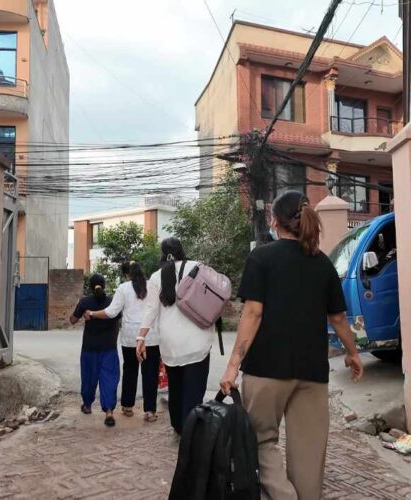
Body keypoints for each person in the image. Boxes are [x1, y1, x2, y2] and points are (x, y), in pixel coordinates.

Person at [220, 191, 364, 500]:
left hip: (266, 369)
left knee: (260, 440)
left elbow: (253, 313)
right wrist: (353, 354)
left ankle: (284, 496)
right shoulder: (323, 264)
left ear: (274, 221)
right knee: (309, 449)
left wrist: (232, 367)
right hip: (312, 371)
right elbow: (338, 318)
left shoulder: (261, 258)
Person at [136, 238, 214, 435]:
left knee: (176, 387)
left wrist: (141, 338)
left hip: (171, 344)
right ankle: (191, 430)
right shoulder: (199, 268)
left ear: (163, 254)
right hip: (198, 340)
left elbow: (151, 310)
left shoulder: (156, 277)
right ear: (181, 250)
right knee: (194, 389)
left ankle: (179, 426)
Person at [85, 262, 160, 422]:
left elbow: (112, 312)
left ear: (126, 275)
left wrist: (92, 313)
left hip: (130, 338)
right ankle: (150, 411)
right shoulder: (152, 286)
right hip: (150, 336)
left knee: (130, 371)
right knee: (150, 374)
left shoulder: (124, 288)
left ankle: (127, 406)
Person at [70, 273, 120, 427]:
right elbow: (119, 318)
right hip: (109, 347)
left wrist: (81, 310)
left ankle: (87, 406)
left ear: (90, 287)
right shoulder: (112, 302)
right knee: (109, 379)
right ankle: (109, 411)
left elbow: (72, 320)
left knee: (89, 379)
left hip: (89, 348)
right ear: (104, 285)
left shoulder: (85, 302)